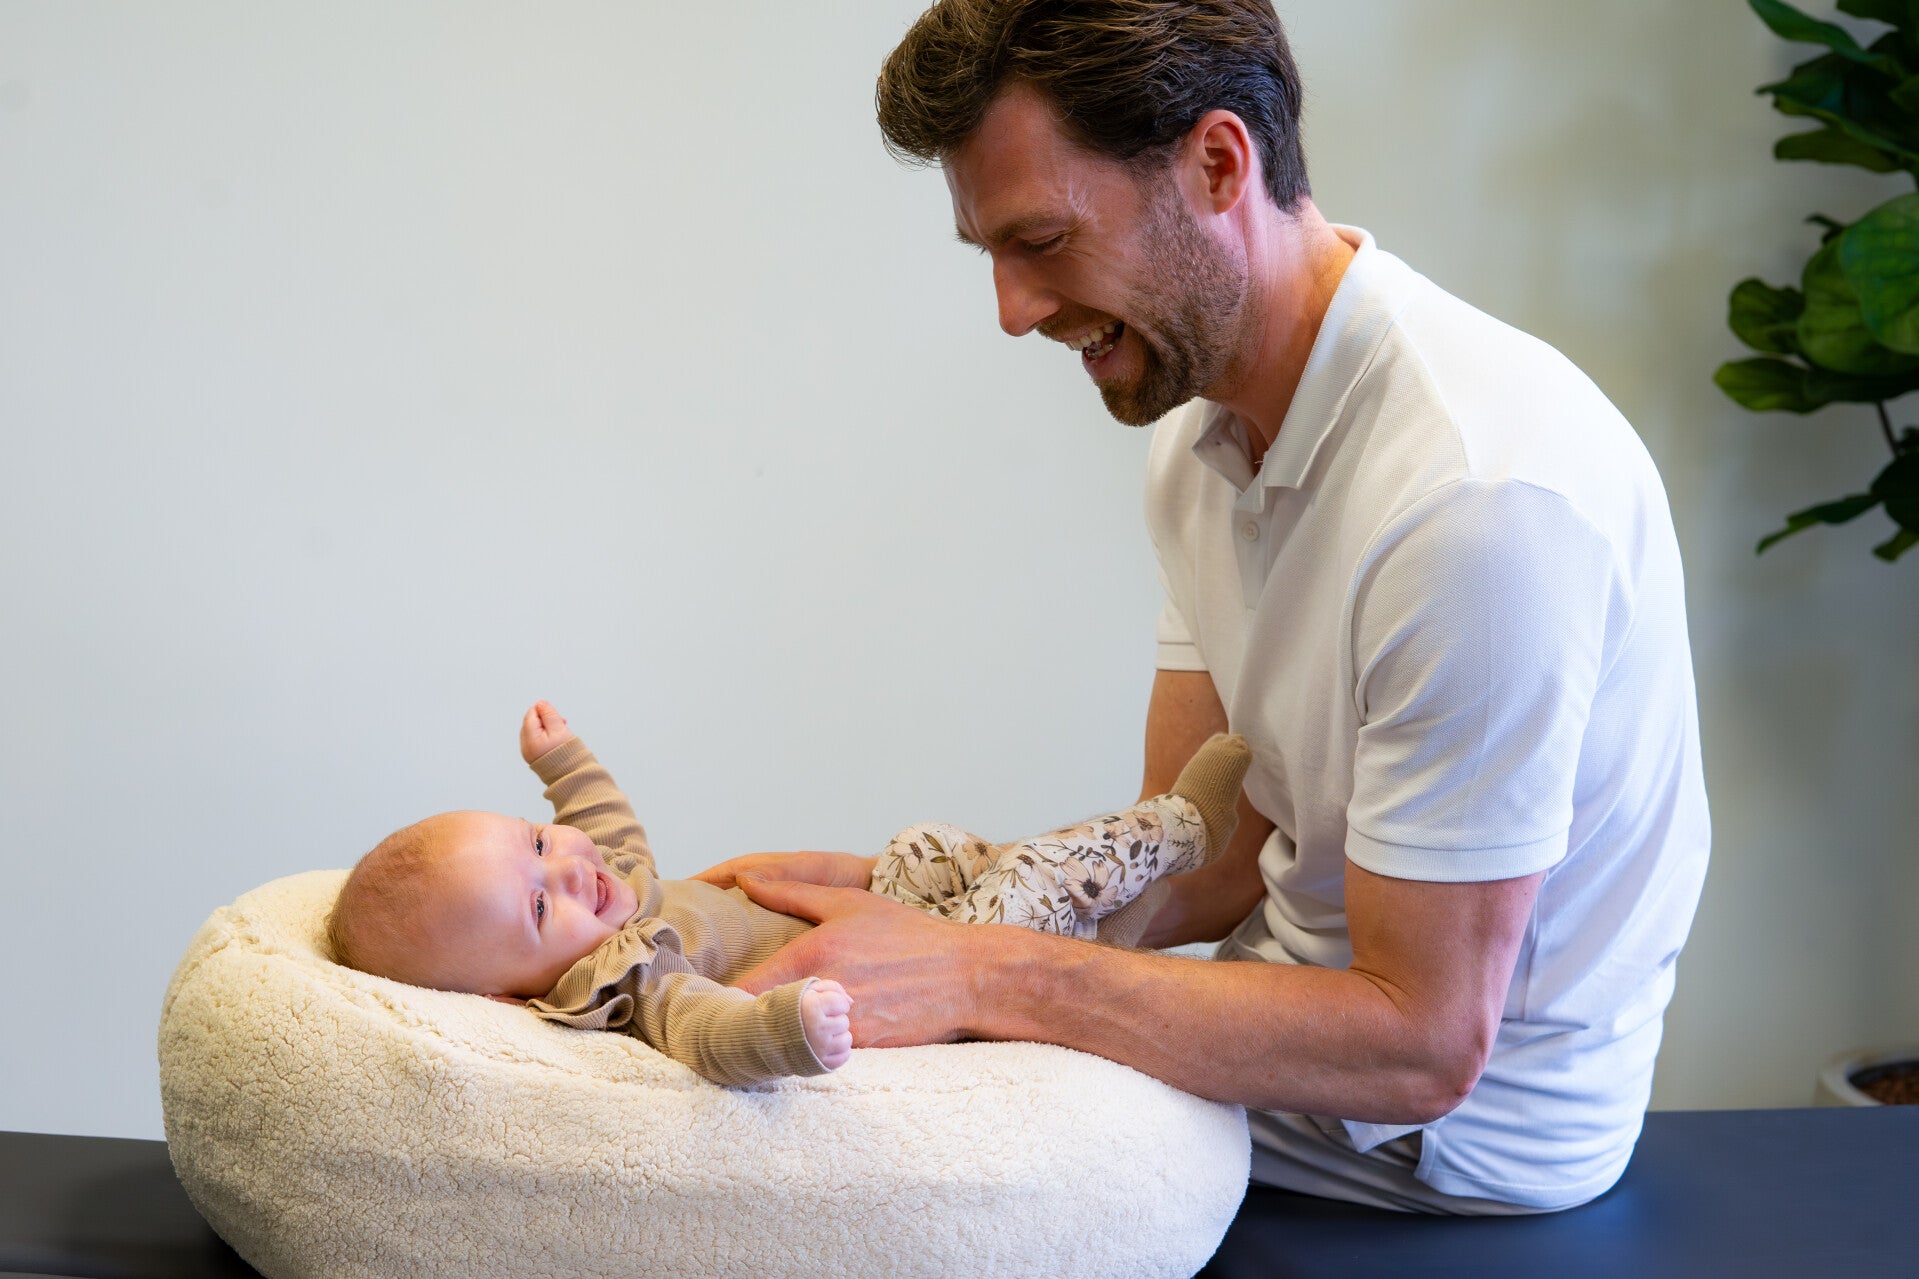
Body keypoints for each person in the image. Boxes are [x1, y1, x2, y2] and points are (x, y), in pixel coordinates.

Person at [697, 0, 1710, 1212]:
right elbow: (1203, 847)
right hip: (1286, 1067)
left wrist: (972, 971)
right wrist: (942, 895)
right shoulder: (1199, 442)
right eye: (991, 256)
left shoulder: (1475, 506)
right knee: (776, 1046)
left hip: (1437, 1144)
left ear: (1218, 163)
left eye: (1041, 240)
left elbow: (1421, 1042)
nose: (1013, 311)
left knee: (793, 1152)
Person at [324, 701, 1252, 1087]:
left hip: (902, 910)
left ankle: (1130, 897)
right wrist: (790, 1029)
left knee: (929, 847)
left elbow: (606, 831)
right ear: (508, 993)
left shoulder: (608, 888)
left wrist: (562, 765)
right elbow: (705, 1032)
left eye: (534, 843)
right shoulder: (629, 973)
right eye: (536, 907)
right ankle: (1180, 829)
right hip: (934, 963)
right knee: (1031, 883)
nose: (569, 867)